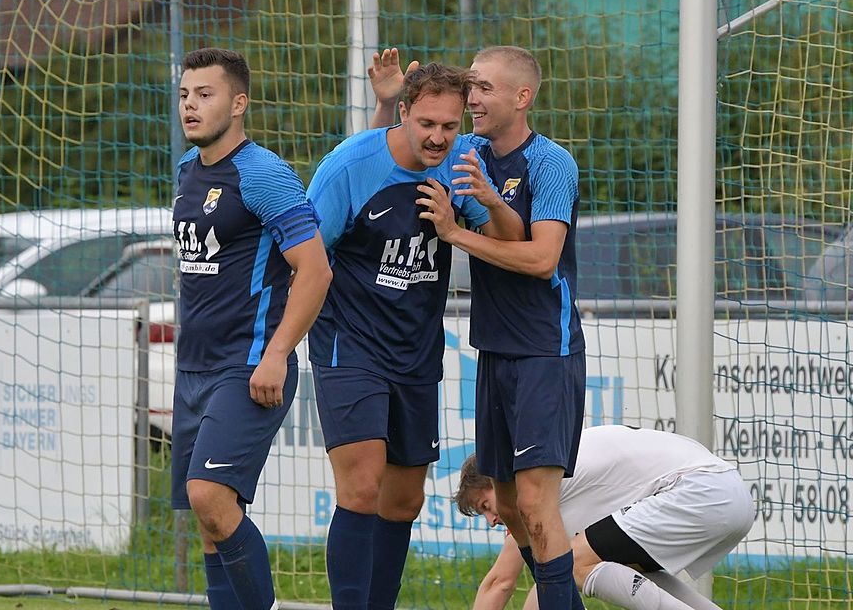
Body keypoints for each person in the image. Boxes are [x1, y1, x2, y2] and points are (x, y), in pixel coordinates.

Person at [370, 46, 586, 610]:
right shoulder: (466, 150)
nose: (472, 98)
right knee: (511, 508)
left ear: (523, 97)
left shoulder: (551, 162)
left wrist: (458, 233)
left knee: (538, 506)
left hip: (545, 349)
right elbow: (387, 157)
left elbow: (541, 259)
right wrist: (390, 102)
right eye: (471, 87)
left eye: (484, 88)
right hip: (494, 350)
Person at [306, 62, 524, 610]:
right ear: (403, 112)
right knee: (359, 488)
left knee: (403, 503)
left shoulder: (460, 165)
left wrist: (483, 207)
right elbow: (305, 257)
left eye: (450, 126)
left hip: (416, 353)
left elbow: (512, 239)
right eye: (426, 122)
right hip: (349, 346)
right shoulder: (349, 167)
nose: (437, 137)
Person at [170, 47, 332, 610]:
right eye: (186, 95)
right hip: (193, 367)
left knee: (209, 496)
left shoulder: (263, 174)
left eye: (205, 94)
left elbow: (314, 270)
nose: (191, 106)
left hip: (248, 365)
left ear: (238, 103)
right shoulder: (189, 171)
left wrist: (276, 353)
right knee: (212, 524)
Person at [455, 425, 755, 610]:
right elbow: (545, 583)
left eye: (484, 505)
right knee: (621, 567)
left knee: (570, 564)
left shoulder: (530, 483)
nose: (491, 520)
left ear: (495, 481)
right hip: (730, 493)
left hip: (699, 491)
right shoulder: (550, 459)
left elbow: (500, 582)